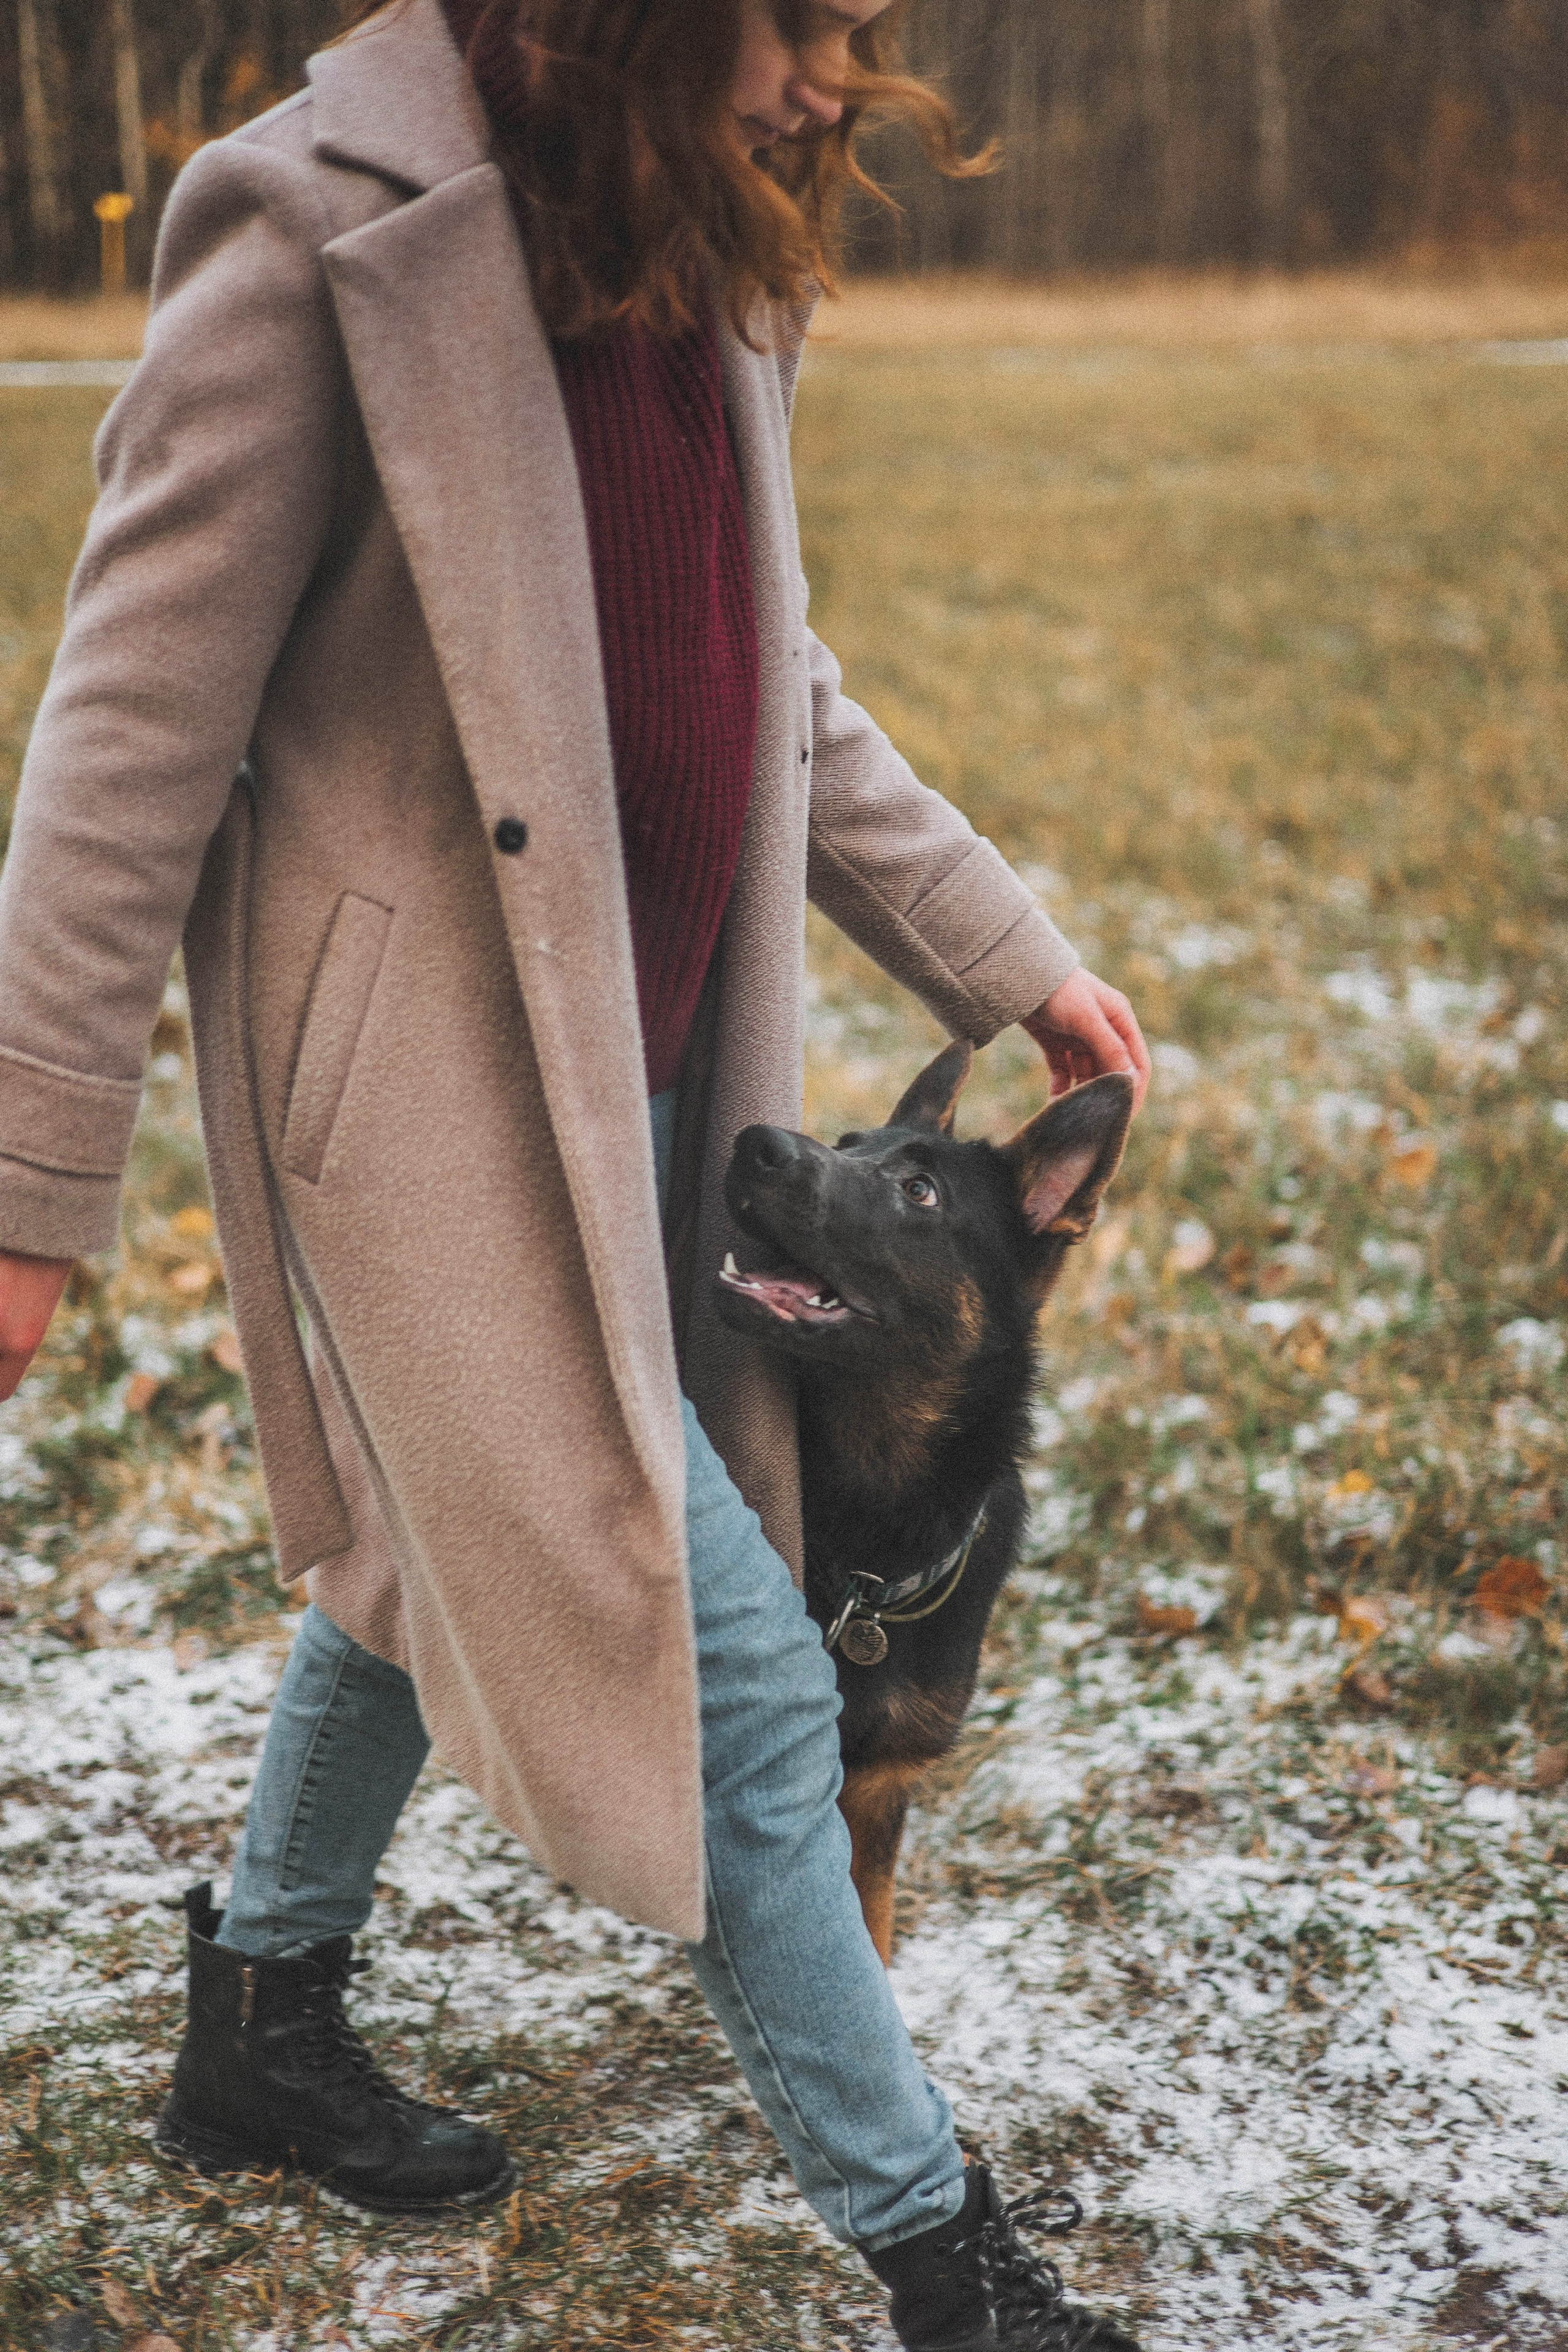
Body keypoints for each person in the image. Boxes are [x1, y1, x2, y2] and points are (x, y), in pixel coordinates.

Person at [0, 1, 1151, 2343]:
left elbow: (770, 679)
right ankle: (952, 2273)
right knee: (740, 1688)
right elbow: (125, 733)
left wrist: (1010, 955)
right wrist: (26, 1181)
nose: (833, 78)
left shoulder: (701, 255)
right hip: (419, 1128)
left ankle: (259, 2023)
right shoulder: (309, 231)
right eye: (803, 20)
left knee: (437, 1537)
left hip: (661, 1090)